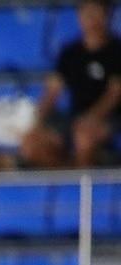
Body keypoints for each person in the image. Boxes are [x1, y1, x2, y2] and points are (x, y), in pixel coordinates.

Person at [21, 0, 121, 168]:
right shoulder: (70, 53)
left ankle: (83, 187)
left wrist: (92, 117)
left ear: (107, 15)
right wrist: (37, 120)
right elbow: (53, 91)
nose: (91, 19)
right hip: (74, 116)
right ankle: (62, 181)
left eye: (96, 13)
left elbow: (115, 93)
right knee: (32, 142)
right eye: (86, 13)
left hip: (109, 118)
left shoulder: (117, 51)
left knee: (84, 136)